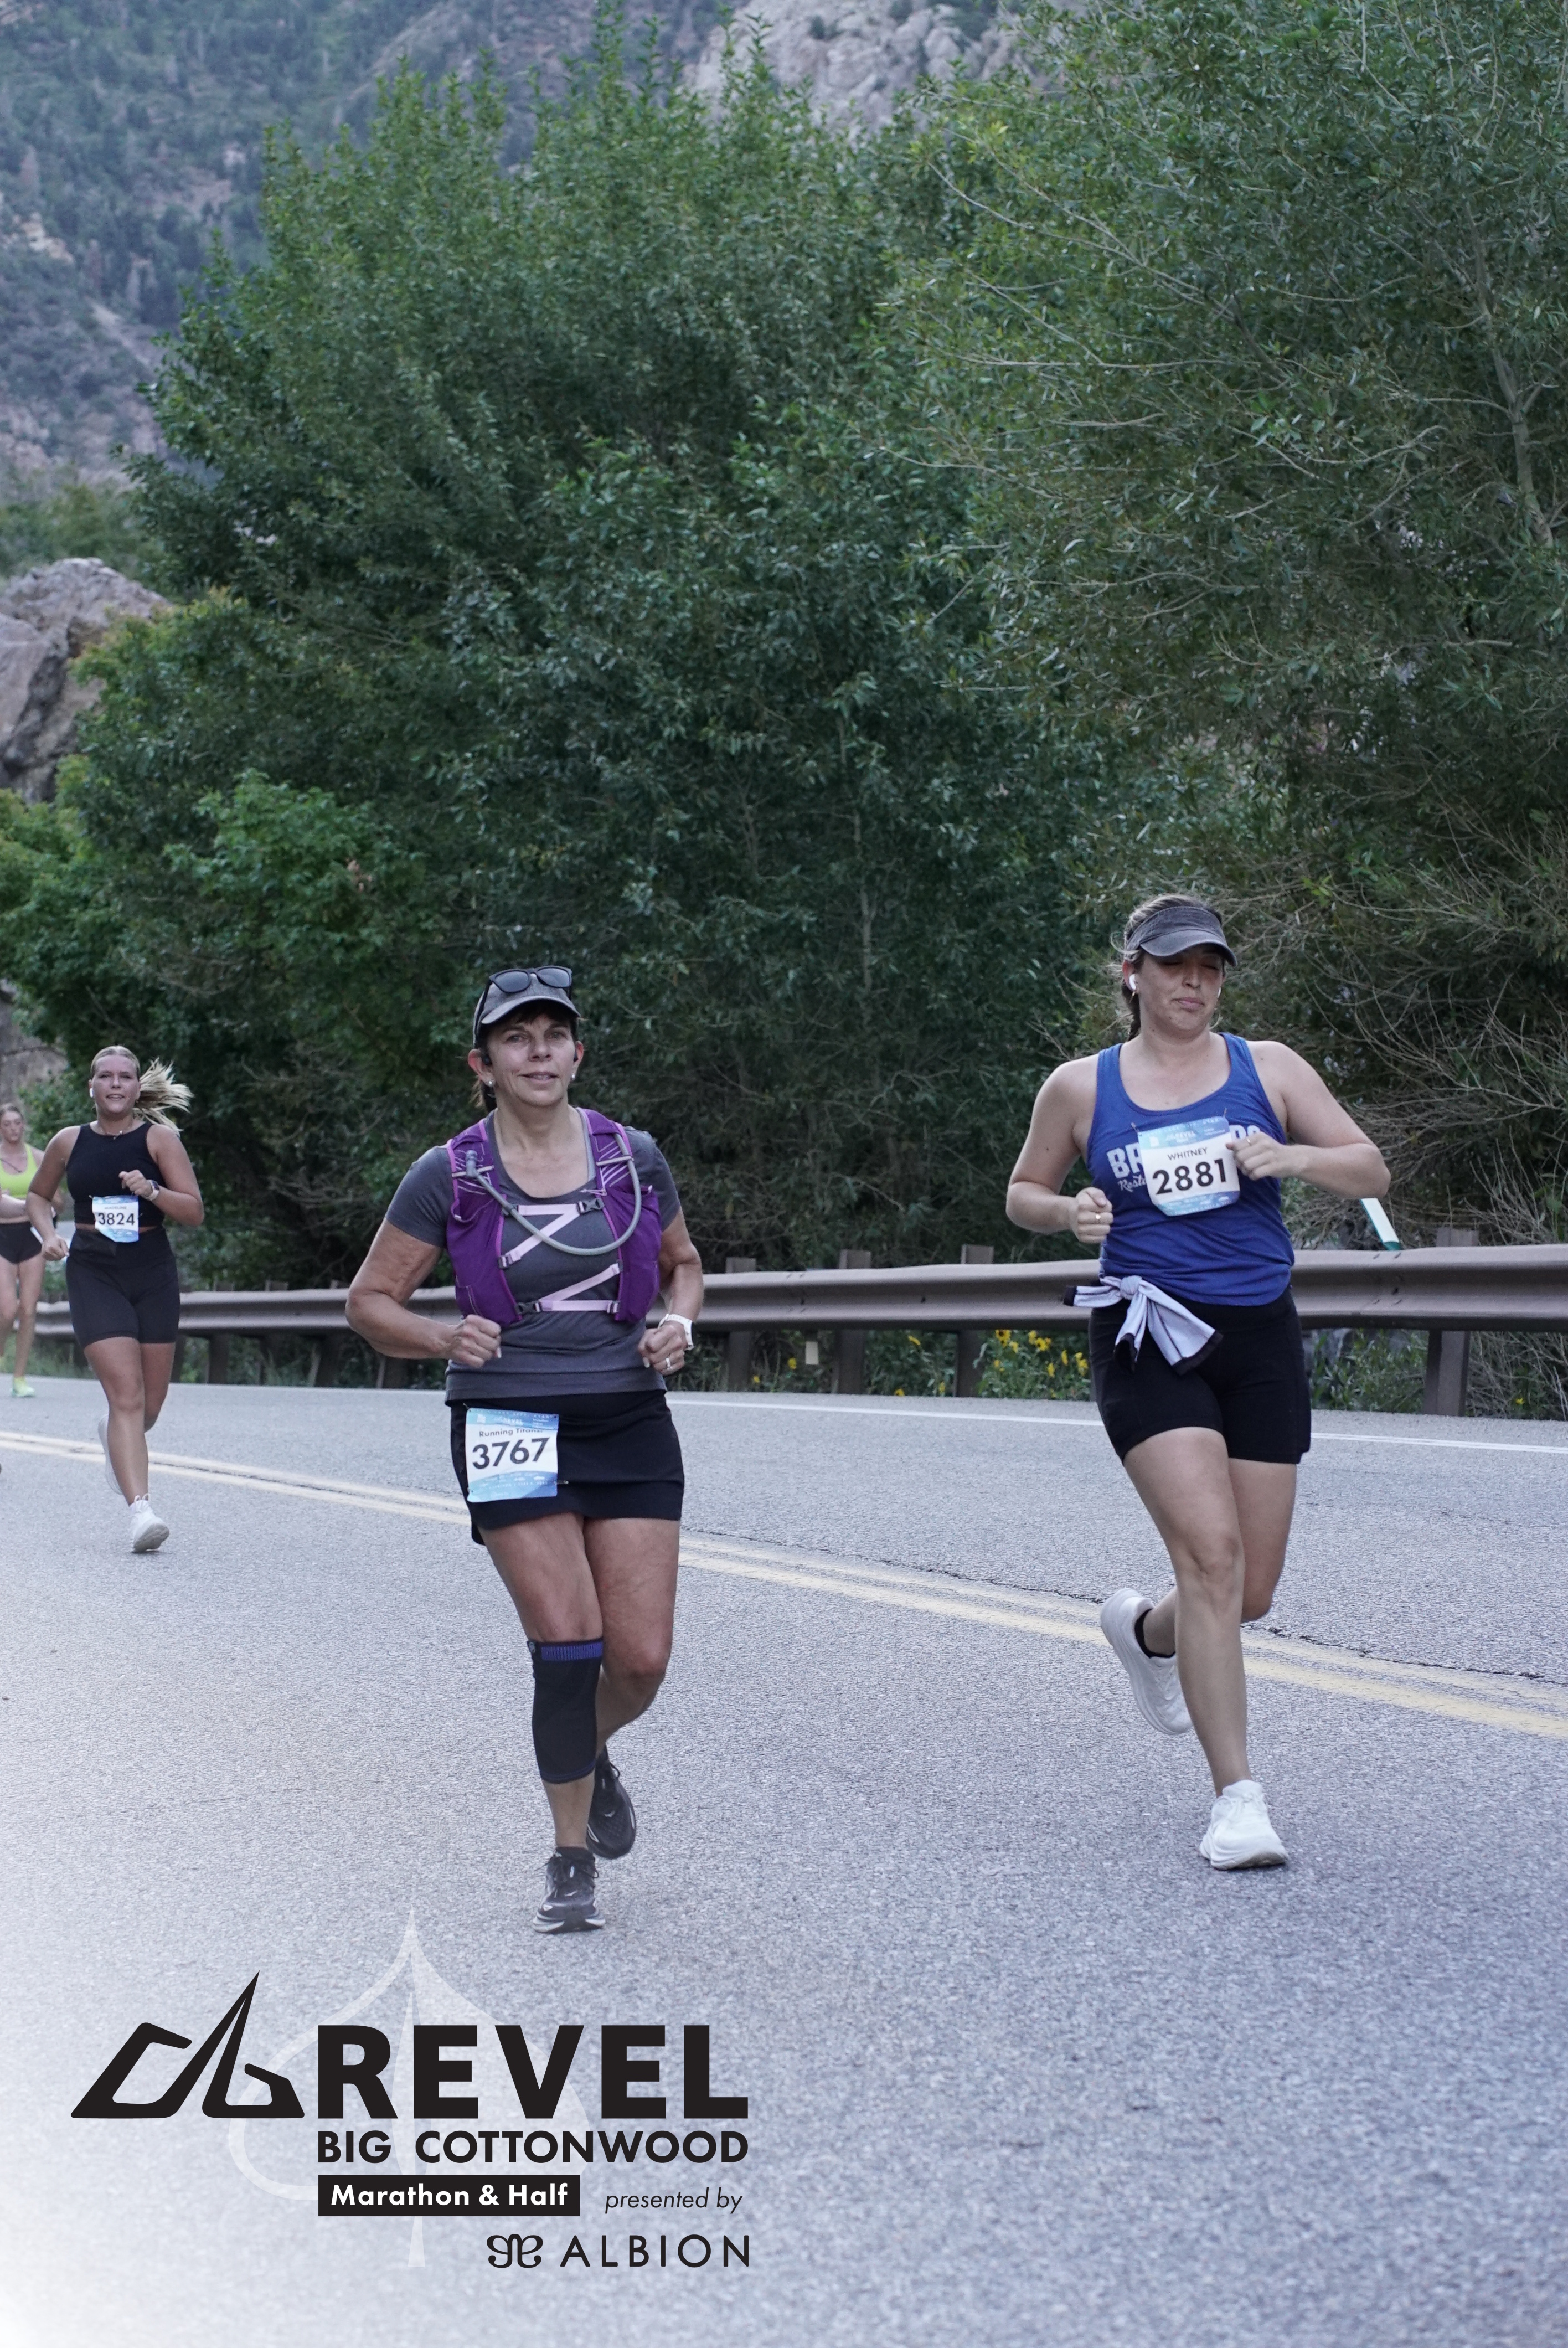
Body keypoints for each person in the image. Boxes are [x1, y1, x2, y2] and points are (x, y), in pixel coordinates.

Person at [1006, 894, 1390, 1868]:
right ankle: (1238, 1801)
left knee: (1245, 1590)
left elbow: (1371, 1169)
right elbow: (1022, 1192)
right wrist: (1068, 1214)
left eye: (1209, 967)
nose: (1193, 982)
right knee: (1211, 1559)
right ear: (1132, 973)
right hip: (1148, 1334)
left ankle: (1148, 1635)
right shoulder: (1081, 1087)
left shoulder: (1270, 1069)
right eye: (1174, 965)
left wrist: (1293, 1155)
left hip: (1258, 1336)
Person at [347, 967, 703, 1934]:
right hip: (508, 1420)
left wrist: (678, 1321)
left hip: (626, 1417)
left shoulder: (633, 1156)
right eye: (517, 1037)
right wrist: (441, 1336)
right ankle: (569, 1855)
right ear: (484, 1063)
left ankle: (585, 1752)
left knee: (640, 1661)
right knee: (569, 1646)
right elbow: (369, 1303)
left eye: (554, 1035)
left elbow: (683, 1266)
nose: (538, 1051)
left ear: (577, 1054)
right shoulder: (449, 1173)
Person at [28, 1047, 204, 1555]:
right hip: (94, 1272)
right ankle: (141, 1512)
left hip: (151, 1272)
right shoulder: (68, 1142)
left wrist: (152, 1192)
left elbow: (194, 1212)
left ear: (136, 1088)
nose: (115, 1084)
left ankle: (114, 1435)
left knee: (149, 1405)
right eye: (105, 1076)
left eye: (125, 1077)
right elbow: (38, 1197)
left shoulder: (160, 1140)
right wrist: (48, 1236)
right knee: (126, 1395)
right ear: (92, 1087)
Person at [0, 1101, 47, 1397]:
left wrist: (18, 1204)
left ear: (24, 1125)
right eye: (7, 1124)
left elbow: (55, 1200)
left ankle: (19, 1378)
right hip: (2, 1237)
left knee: (28, 1309)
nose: (13, 1129)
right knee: (7, 1310)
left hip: (33, 1237)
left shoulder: (39, 1158)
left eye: (17, 1123)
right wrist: (29, 1203)